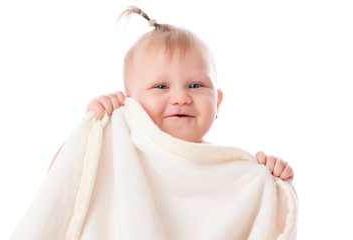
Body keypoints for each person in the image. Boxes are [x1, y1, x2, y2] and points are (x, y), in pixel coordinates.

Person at [50, 6, 294, 181]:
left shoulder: (226, 167)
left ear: (218, 102)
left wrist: (269, 179)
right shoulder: (121, 150)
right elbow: (62, 183)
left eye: (196, 85)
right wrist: (93, 129)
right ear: (128, 103)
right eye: (161, 87)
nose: (181, 98)